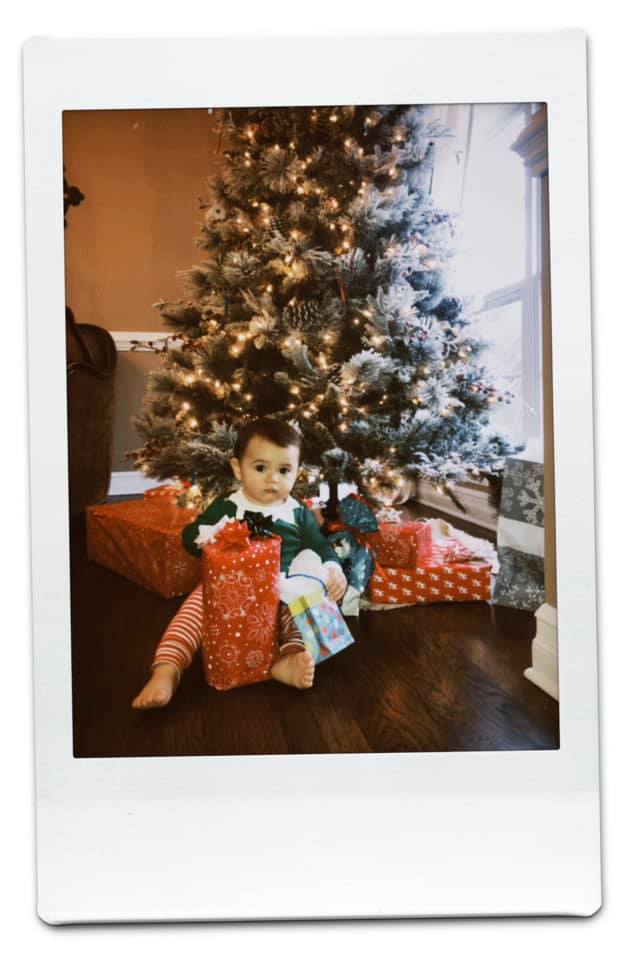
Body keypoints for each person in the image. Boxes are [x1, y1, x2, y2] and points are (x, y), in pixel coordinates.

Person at [132, 418, 347, 709]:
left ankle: (287, 661)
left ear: (297, 473)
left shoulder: (297, 512)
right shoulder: (229, 505)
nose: (272, 479)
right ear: (238, 468)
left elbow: (320, 547)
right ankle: (167, 670)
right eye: (260, 468)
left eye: (284, 470)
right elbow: (191, 536)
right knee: (194, 610)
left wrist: (333, 569)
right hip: (229, 590)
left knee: (301, 616)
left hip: (280, 590)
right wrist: (210, 536)